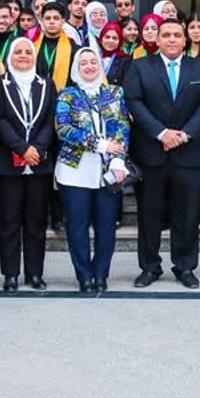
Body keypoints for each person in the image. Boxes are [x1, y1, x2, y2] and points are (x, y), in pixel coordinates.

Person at [124, 18, 200, 289]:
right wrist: (162, 133)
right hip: (152, 153)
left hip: (188, 153)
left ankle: (185, 267)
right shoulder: (140, 66)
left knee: (187, 216)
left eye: (177, 34)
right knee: (149, 215)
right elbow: (134, 101)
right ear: (157, 39)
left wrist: (183, 134)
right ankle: (149, 267)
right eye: (167, 35)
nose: (172, 39)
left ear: (185, 39)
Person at [55, 49, 131, 293]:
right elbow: (63, 129)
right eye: (83, 63)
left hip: (108, 172)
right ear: (76, 68)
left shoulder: (115, 93)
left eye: (93, 62)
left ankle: (100, 274)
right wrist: (99, 144)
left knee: (106, 226)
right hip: (74, 172)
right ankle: (84, 276)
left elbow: (123, 125)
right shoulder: (67, 95)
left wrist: (118, 159)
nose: (89, 67)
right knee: (77, 226)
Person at [0, 37, 57, 292]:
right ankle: (10, 274)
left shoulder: (46, 84)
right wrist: (21, 147)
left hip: (39, 164)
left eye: (27, 52)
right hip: (8, 164)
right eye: (17, 52)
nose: (22, 56)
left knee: (36, 222)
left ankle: (35, 273)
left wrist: (37, 148)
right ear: (10, 56)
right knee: (8, 222)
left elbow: (50, 120)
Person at [33, 2, 81, 90]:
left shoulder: (75, 49)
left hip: (65, 96)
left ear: (63, 21)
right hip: (38, 95)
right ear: (42, 21)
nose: (52, 22)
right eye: (48, 18)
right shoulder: (33, 48)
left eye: (56, 18)